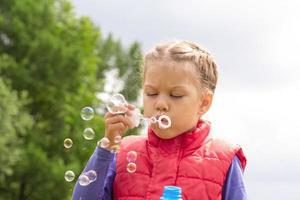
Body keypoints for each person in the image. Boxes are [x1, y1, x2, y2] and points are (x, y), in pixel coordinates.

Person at [72, 40, 247, 200]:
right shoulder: (123, 153)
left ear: (204, 103)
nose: (160, 104)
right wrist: (108, 145)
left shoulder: (224, 159)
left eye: (176, 95)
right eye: (152, 93)